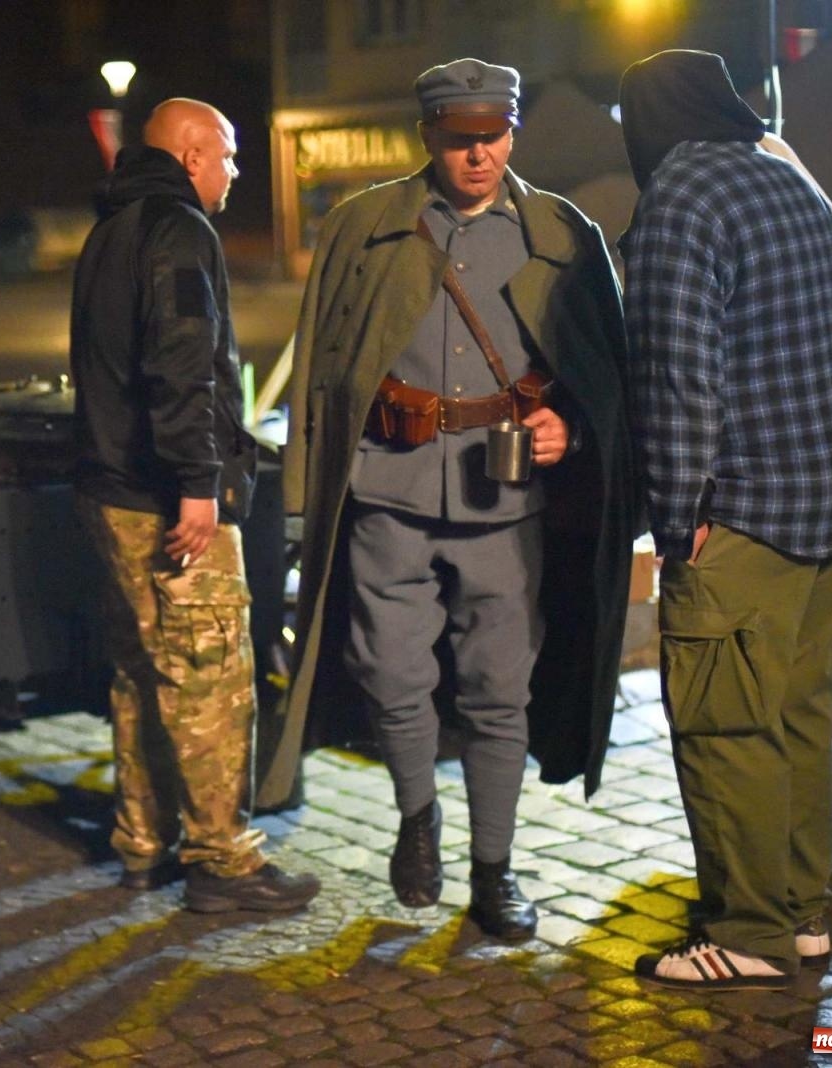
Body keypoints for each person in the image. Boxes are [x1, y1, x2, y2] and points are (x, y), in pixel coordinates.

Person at [259, 59, 634, 941]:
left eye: (494, 135)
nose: (480, 155)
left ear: (513, 130)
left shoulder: (562, 231)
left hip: (506, 503)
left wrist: (568, 431)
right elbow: (319, 367)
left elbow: (606, 374)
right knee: (391, 675)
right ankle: (417, 817)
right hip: (386, 488)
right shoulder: (364, 227)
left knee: (498, 691)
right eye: (462, 138)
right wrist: (301, 504)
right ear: (426, 135)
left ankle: (495, 871)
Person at [618, 50, 832, 990]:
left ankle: (750, 933)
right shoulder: (786, 179)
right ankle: (800, 910)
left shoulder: (683, 196)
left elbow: (676, 375)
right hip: (827, 502)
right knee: (798, 718)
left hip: (743, 516)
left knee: (727, 729)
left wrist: (680, 517)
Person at [70, 97, 321, 914]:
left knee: (143, 674)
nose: (237, 173)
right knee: (211, 674)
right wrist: (198, 484)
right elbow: (180, 365)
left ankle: (143, 844)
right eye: (230, 156)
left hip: (110, 493)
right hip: (165, 496)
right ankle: (222, 862)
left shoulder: (110, 228)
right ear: (190, 156)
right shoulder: (179, 231)